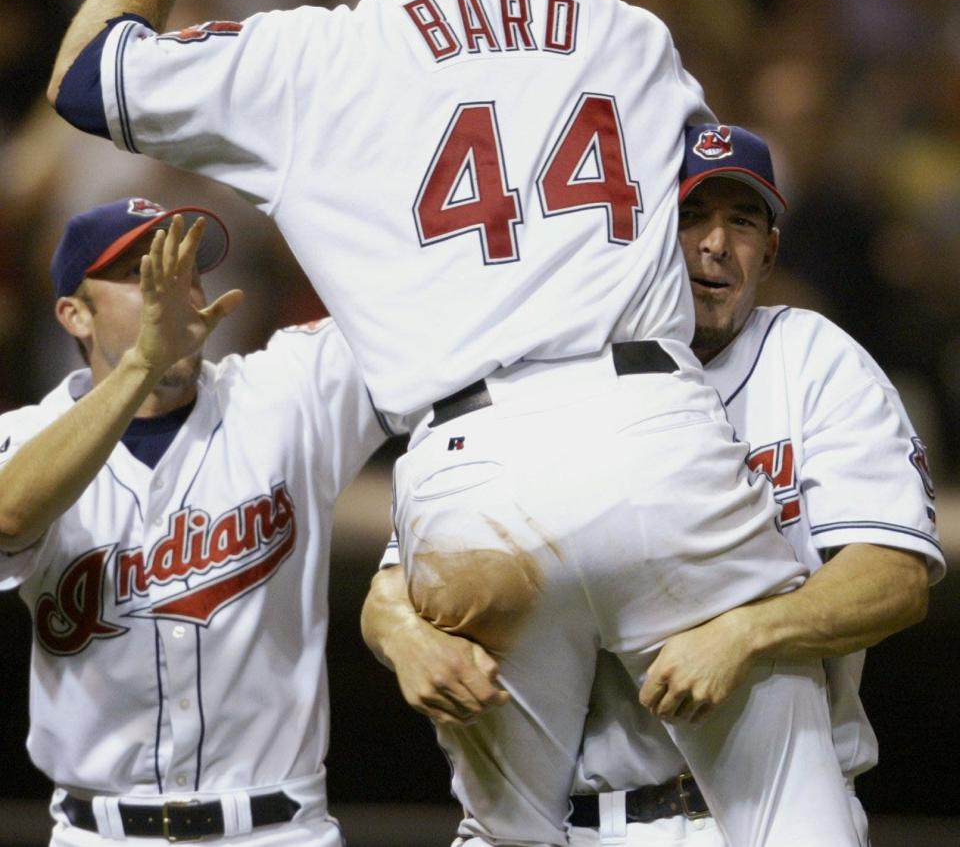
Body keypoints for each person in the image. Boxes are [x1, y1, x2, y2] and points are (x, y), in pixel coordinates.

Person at [46, 0, 862, 846]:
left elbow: (86, 77)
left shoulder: (320, 50)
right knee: (799, 817)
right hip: (657, 432)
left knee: (510, 833)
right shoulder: (628, 30)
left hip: (469, 471)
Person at [362, 124, 945, 846]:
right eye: (690, 216)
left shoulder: (813, 361)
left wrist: (747, 632)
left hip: (766, 811)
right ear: (633, 235)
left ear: (770, 250)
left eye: (742, 220)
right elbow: (396, 576)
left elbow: (893, 579)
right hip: (578, 824)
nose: (714, 244)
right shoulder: (552, 371)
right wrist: (405, 636)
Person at [0, 197, 388, 846]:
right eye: (139, 274)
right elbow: (9, 518)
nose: (169, 290)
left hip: (277, 830)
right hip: (100, 834)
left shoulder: (283, 393)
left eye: (183, 269)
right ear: (74, 313)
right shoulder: (26, 438)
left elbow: (418, 310)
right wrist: (140, 367)